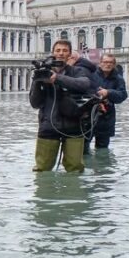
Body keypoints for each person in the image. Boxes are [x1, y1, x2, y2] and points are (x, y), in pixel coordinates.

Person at [29, 39, 96, 172]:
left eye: (65, 51)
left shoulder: (77, 71)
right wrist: (38, 80)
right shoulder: (43, 72)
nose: (61, 53)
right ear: (53, 53)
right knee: (42, 168)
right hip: (48, 126)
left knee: (75, 168)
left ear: (70, 54)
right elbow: (35, 103)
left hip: (74, 126)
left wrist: (57, 79)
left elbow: (84, 84)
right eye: (58, 50)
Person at [87, 53, 128, 151]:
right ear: (100, 63)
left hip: (106, 117)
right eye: (105, 62)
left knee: (102, 149)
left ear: (114, 64)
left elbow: (123, 95)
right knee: (83, 148)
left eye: (111, 62)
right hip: (89, 116)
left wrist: (108, 93)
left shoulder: (118, 79)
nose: (108, 64)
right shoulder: (91, 75)